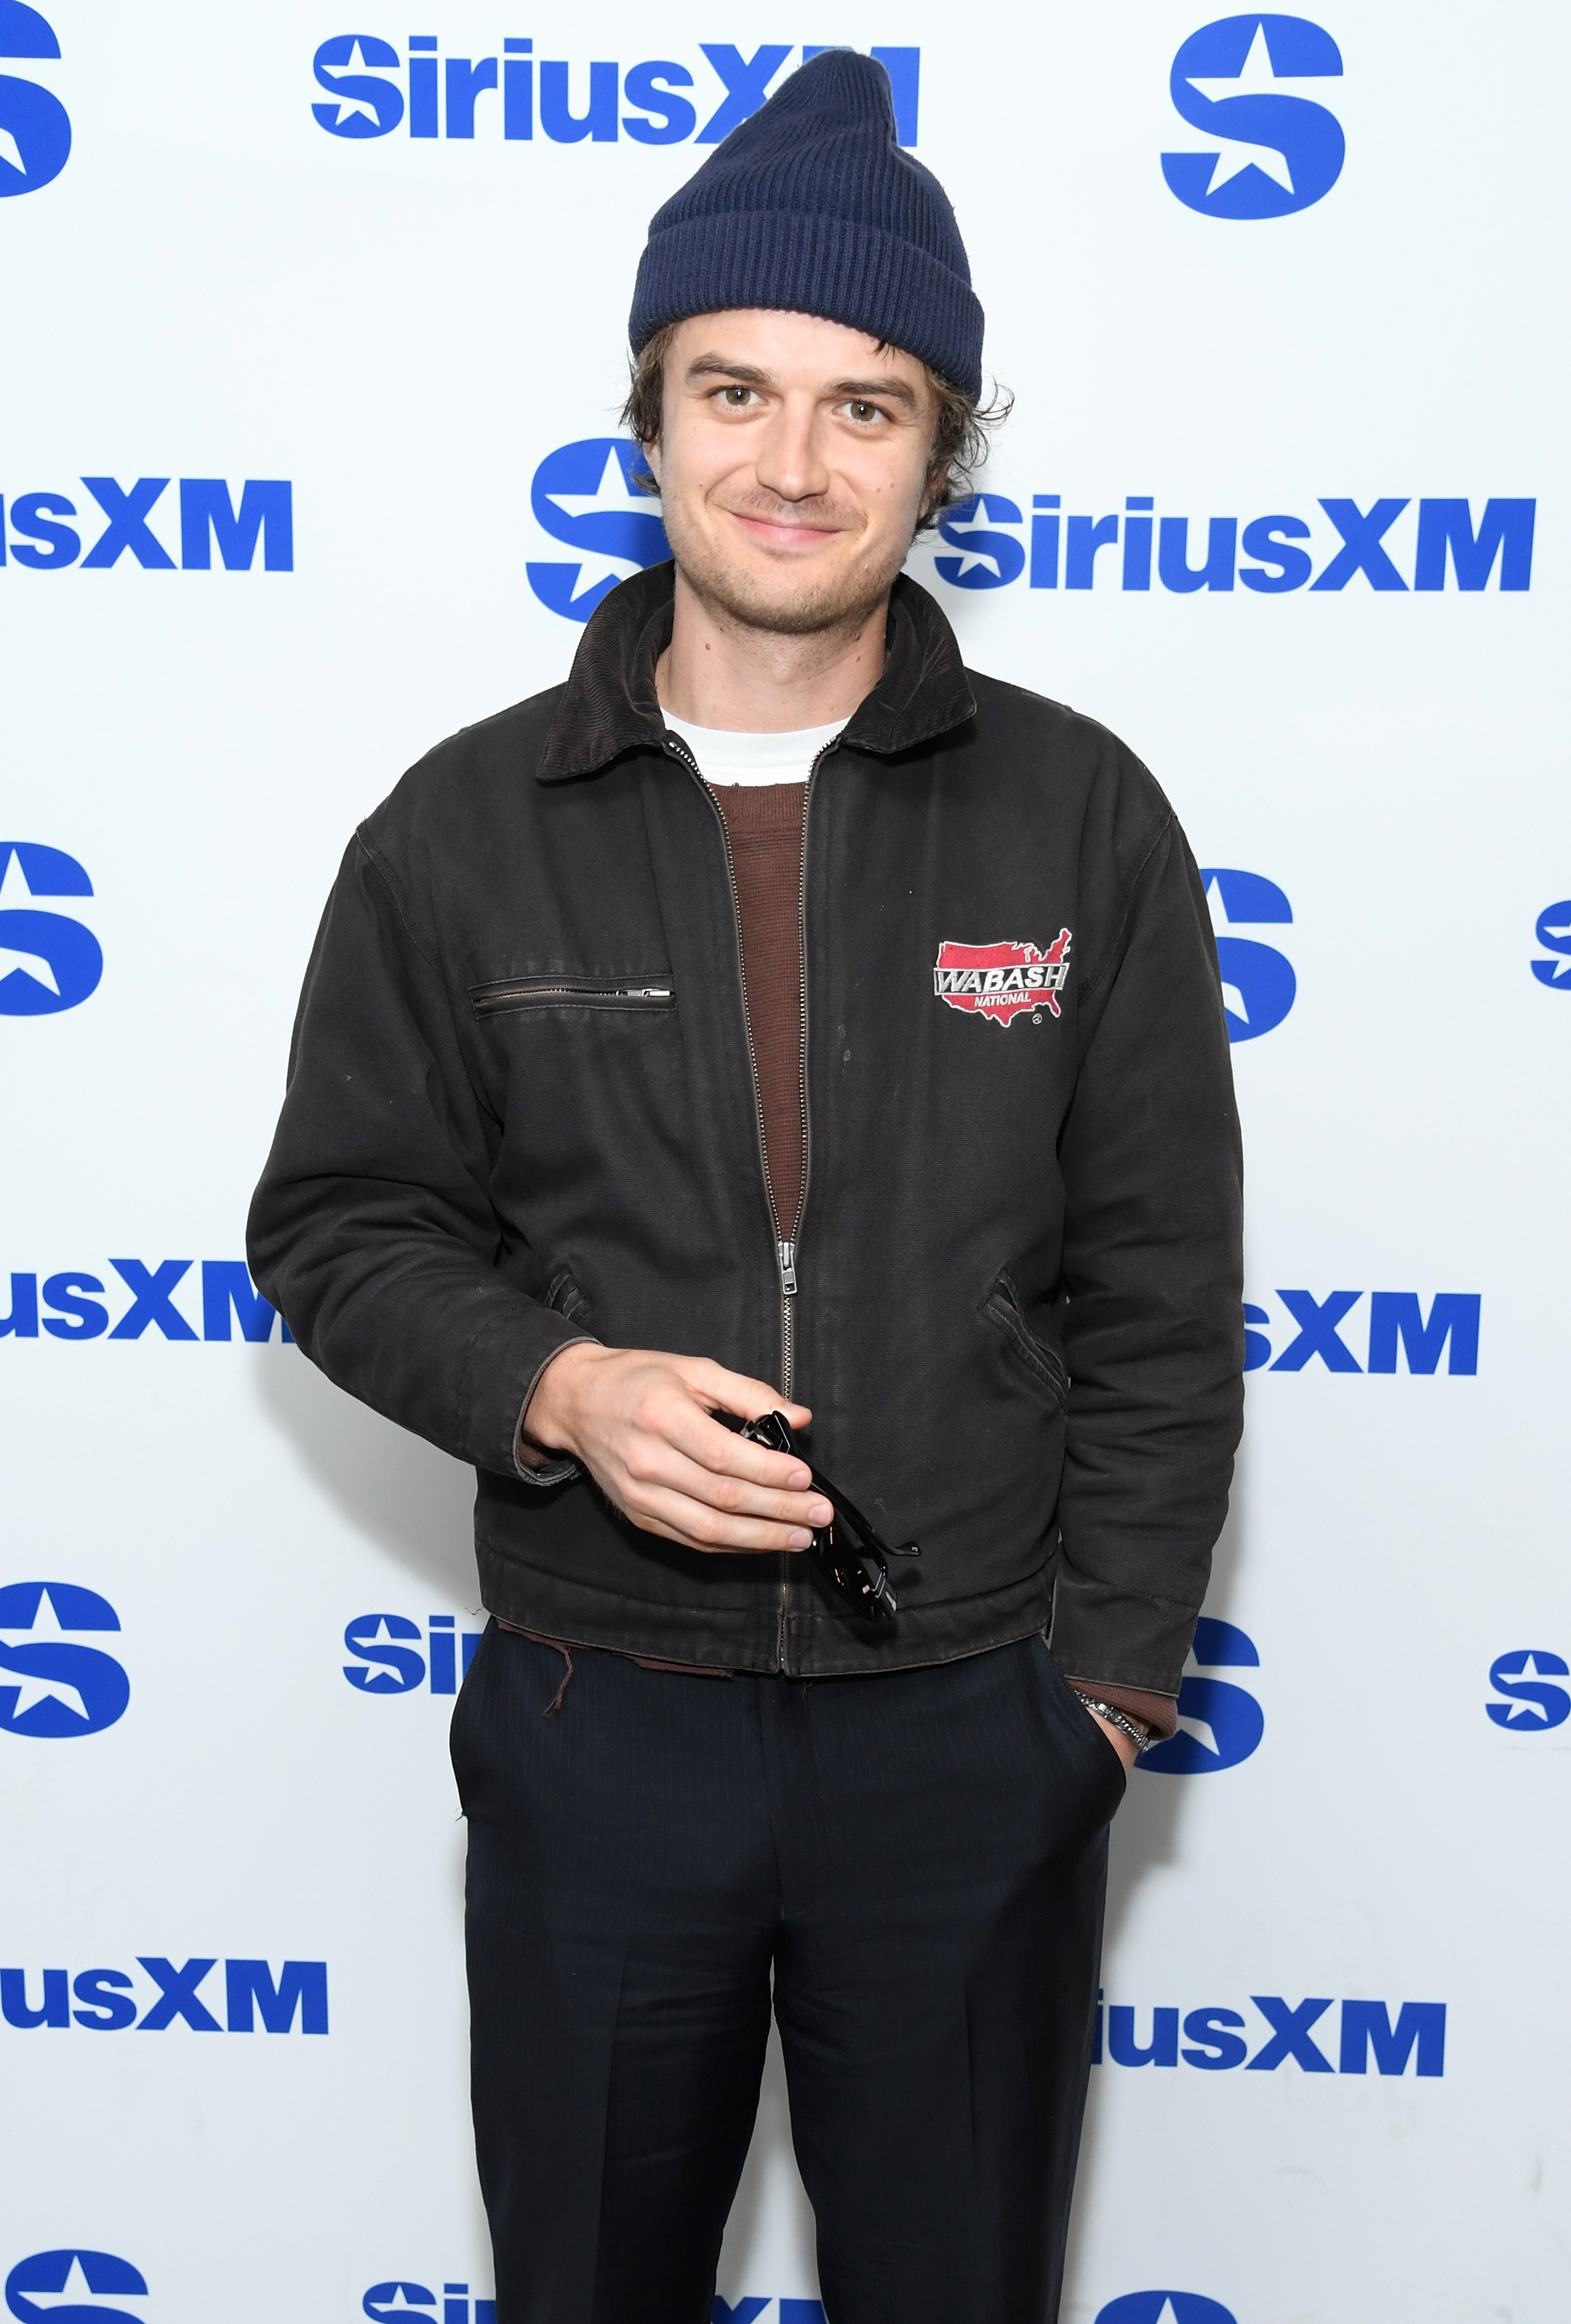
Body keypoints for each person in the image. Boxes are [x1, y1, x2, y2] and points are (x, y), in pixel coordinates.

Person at [248, 49, 1243, 2324]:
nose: (791, 464)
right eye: (735, 389)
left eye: (867, 406)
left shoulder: (1080, 819)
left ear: (943, 449)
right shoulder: (462, 823)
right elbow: (336, 1225)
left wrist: (1096, 1695)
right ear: (647, 415)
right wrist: (558, 1388)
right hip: (607, 1727)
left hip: (974, 1726)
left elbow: (1166, 1293)